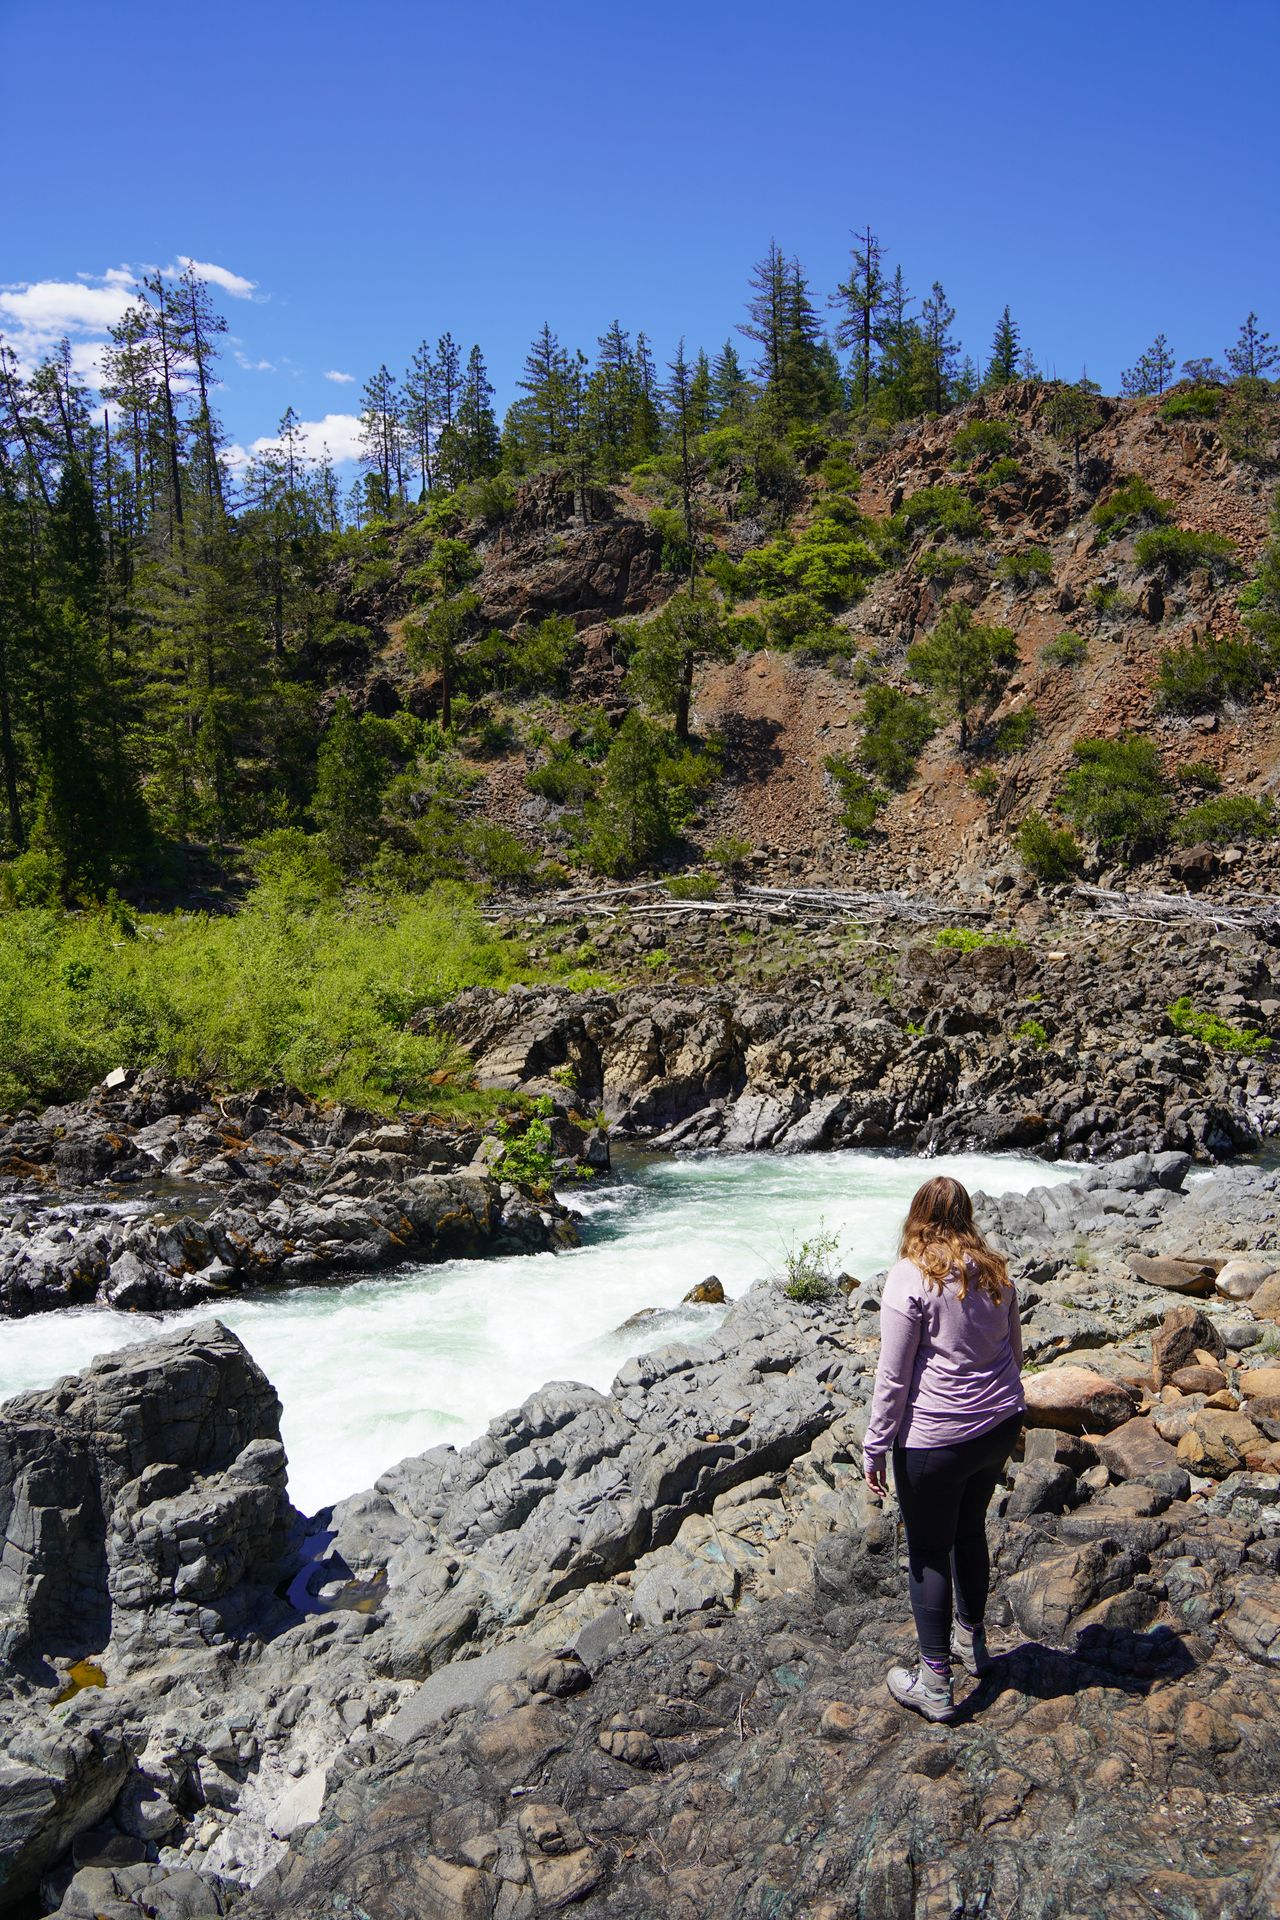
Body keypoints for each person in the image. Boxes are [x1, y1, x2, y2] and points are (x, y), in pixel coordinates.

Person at [862, 1175, 1024, 1721]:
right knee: (969, 1530)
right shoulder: (996, 1271)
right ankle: (971, 1644)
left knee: (929, 1551)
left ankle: (934, 1683)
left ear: (917, 1215)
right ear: (966, 1215)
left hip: (936, 1438)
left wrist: (875, 1444)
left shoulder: (910, 1277)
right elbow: (1014, 1355)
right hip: (997, 1427)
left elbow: (893, 1377)